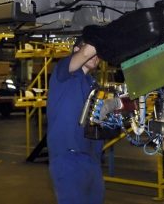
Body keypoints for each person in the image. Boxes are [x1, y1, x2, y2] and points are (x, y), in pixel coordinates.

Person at [47, 38, 104, 204]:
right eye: (94, 52)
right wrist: (105, 34)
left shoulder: (93, 85)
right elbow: (86, 53)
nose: (96, 56)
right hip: (68, 158)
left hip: (92, 159)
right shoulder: (64, 72)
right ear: (76, 50)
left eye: (99, 54)